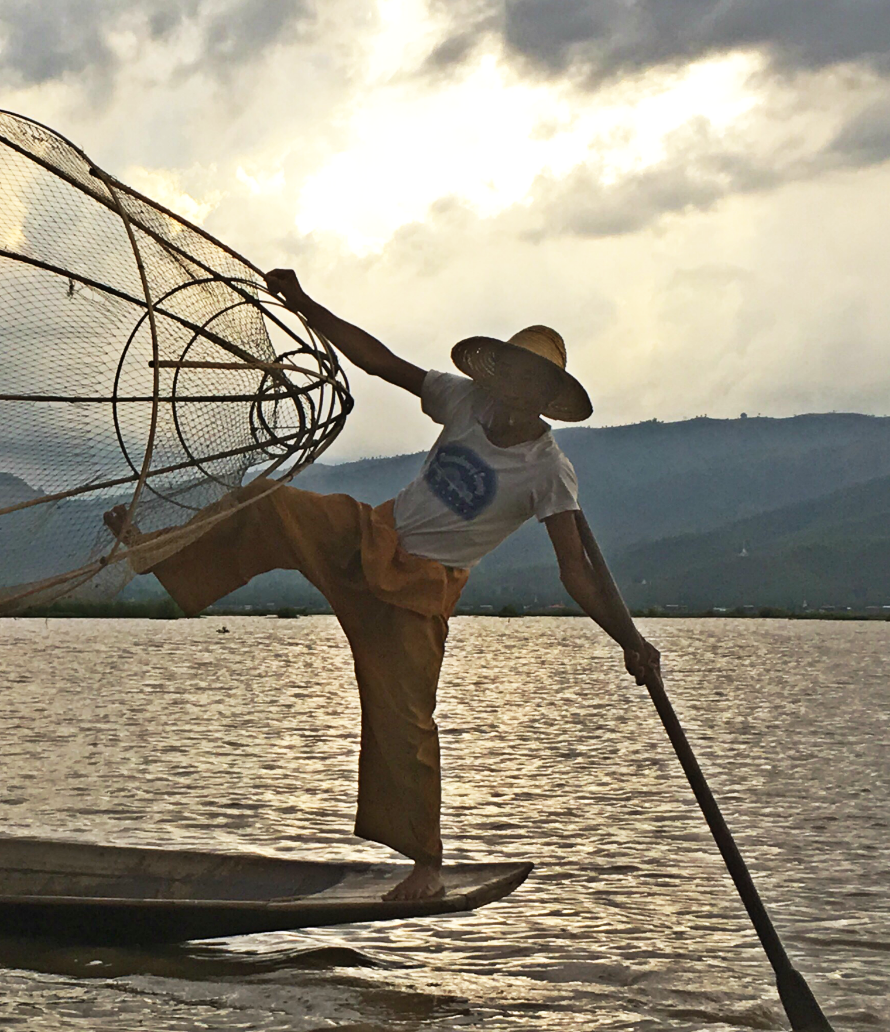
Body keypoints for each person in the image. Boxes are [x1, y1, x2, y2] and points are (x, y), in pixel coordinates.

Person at [104, 268, 661, 902]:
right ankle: (158, 553)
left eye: (528, 386)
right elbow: (379, 362)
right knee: (268, 503)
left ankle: (425, 863)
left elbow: (575, 571)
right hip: (370, 536)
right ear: (497, 375)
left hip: (418, 595)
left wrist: (629, 639)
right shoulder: (466, 401)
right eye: (508, 377)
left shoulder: (548, 472)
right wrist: (304, 302)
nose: (511, 394)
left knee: (408, 724)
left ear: (543, 396)